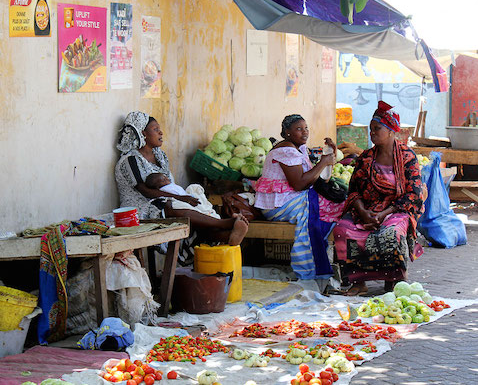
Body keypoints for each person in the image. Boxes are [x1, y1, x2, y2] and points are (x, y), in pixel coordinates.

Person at [114, 111, 248, 265]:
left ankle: (228, 236)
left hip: (164, 202)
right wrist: (180, 198)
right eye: (155, 129)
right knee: (173, 209)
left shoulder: (160, 156)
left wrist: (183, 197)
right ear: (142, 133)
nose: (161, 132)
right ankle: (227, 224)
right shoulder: (130, 160)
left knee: (194, 209)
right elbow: (144, 191)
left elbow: (169, 185)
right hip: (140, 210)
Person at [333, 101, 424, 295]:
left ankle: (393, 280)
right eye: (371, 129)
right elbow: (354, 191)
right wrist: (364, 212)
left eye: (377, 129)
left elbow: (413, 195)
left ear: (391, 131)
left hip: (395, 209)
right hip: (367, 210)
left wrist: (385, 213)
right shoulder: (366, 158)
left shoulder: (407, 157)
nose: (372, 133)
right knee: (342, 229)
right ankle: (358, 282)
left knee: (391, 233)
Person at [254, 114, 344, 279]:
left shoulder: (297, 148)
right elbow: (300, 184)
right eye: (299, 129)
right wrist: (323, 162)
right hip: (278, 206)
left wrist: (330, 156)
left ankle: (323, 261)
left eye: (306, 128)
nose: (305, 132)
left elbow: (320, 178)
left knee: (336, 205)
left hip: (290, 199)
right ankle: (311, 269)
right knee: (324, 211)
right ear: (287, 132)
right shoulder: (285, 151)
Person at [145, 173, 220, 219]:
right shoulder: (164, 190)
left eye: (165, 177)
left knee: (194, 187)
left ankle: (207, 209)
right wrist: (184, 198)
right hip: (183, 201)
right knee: (195, 207)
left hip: (188, 196)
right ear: (158, 187)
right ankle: (206, 213)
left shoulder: (170, 184)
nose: (167, 179)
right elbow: (174, 197)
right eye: (163, 180)